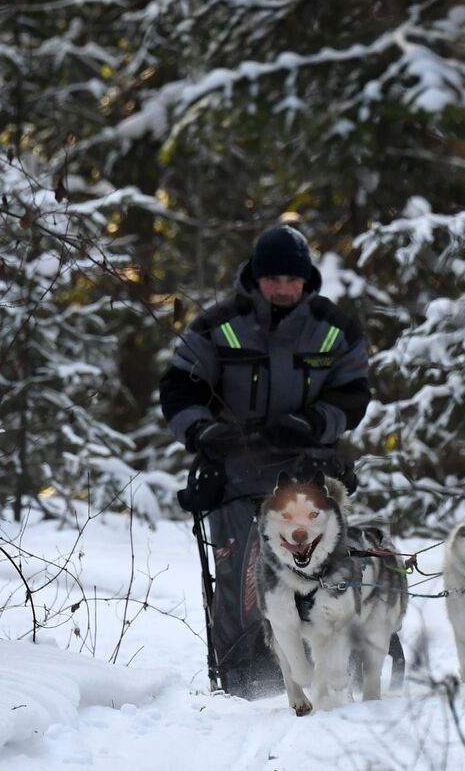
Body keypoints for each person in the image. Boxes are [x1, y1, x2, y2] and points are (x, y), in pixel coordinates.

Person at [160, 224, 370, 698]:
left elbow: (354, 394)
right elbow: (178, 387)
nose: (281, 288)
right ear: (255, 278)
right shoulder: (217, 325)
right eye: (272, 278)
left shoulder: (334, 328)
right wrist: (201, 430)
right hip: (235, 470)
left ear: (306, 281)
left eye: (290, 280)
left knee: (322, 569)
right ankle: (242, 679)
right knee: (241, 575)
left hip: (309, 469)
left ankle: (335, 670)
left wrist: (313, 422)